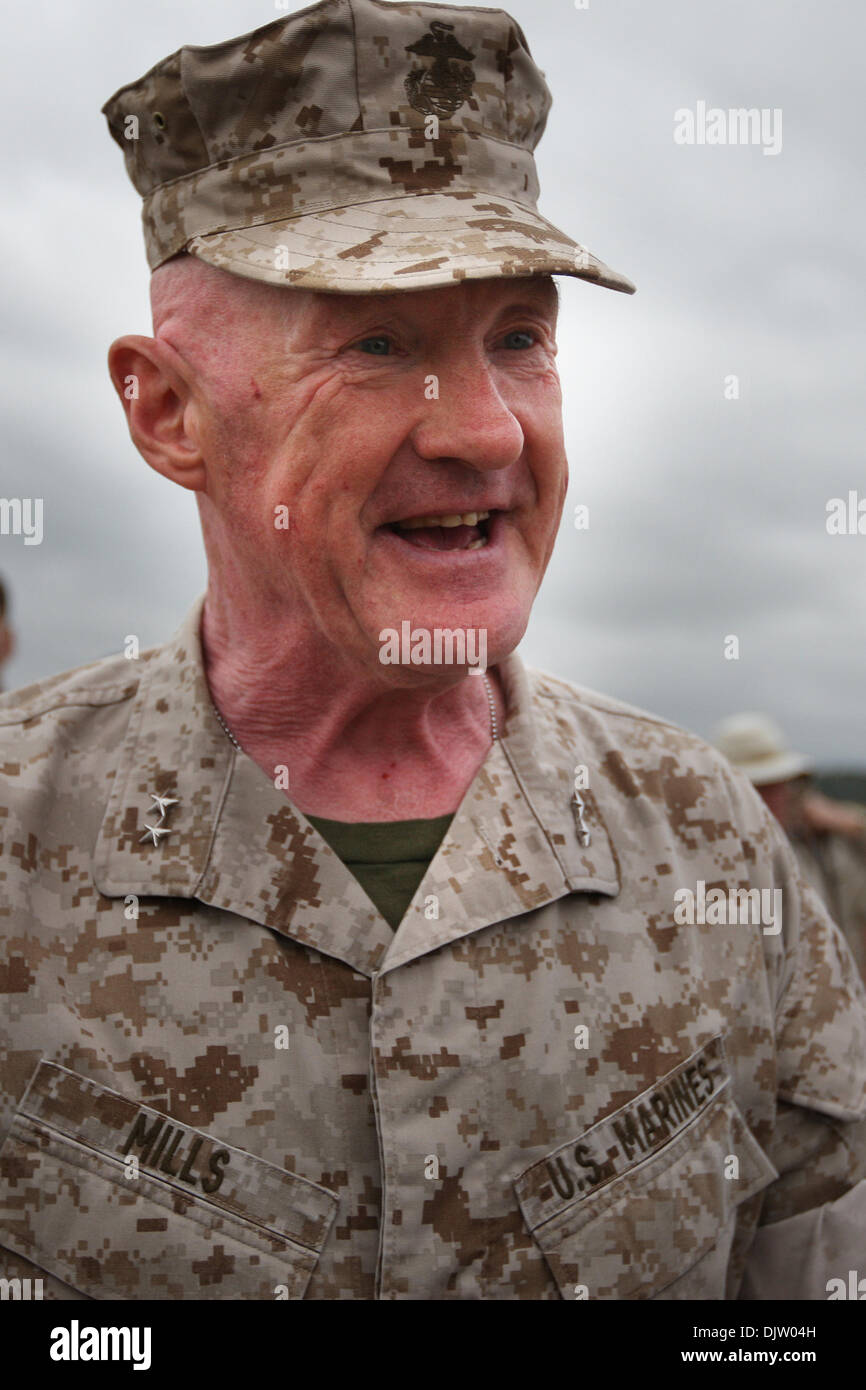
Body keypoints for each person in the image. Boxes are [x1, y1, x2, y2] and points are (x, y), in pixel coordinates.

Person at [0, 0, 864, 1301]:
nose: (485, 433)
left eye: (518, 336)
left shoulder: (708, 841)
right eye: (377, 342)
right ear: (168, 412)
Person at [715, 712, 866, 985]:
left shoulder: (825, 839)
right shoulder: (717, 859)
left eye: (778, 785)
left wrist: (853, 825)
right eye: (759, 787)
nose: (772, 798)